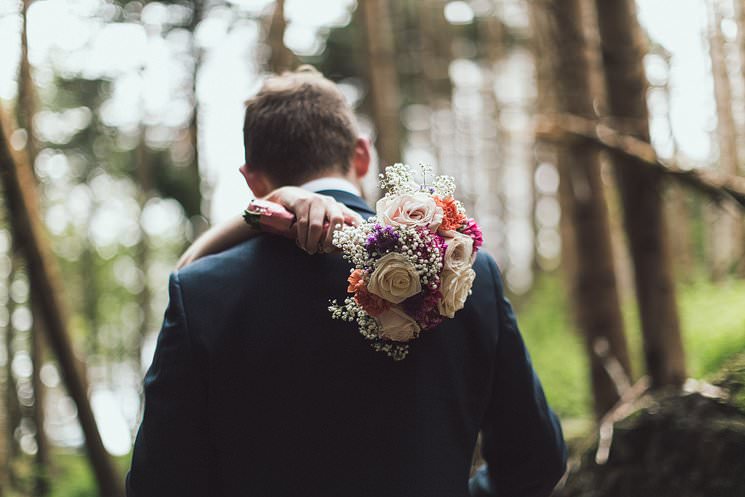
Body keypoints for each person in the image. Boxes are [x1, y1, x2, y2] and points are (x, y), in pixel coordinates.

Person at [126, 66, 567, 497]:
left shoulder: (200, 291)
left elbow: (157, 484)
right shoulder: (465, 270)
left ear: (252, 180)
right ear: (362, 154)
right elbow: (537, 462)